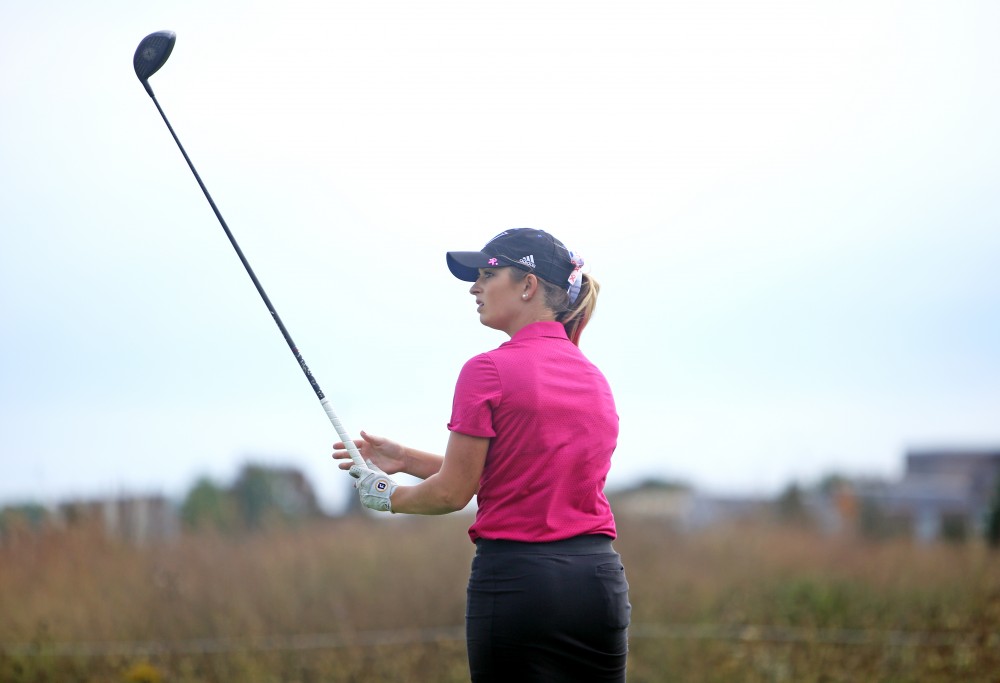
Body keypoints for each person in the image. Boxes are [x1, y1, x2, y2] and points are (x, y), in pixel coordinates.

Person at [332, 228, 630, 682]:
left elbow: (452, 493)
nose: (474, 287)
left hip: (519, 584)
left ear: (527, 285)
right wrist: (407, 459)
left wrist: (386, 495)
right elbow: (518, 471)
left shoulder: (487, 370)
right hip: (598, 583)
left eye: (487, 274)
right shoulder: (593, 378)